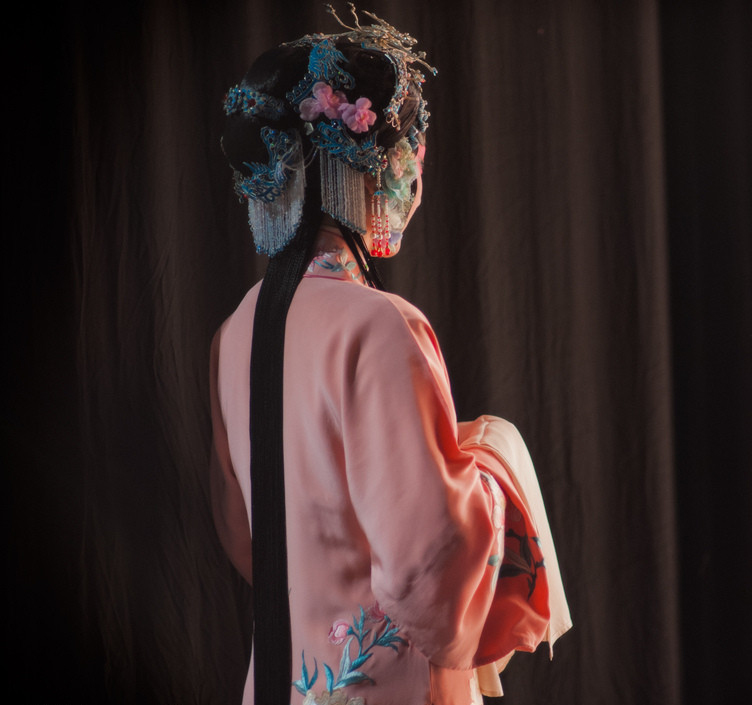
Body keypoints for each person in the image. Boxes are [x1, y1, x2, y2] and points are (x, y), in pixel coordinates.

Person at [209, 7, 570, 705]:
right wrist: (492, 459)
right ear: (361, 168)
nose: (412, 176)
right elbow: (428, 561)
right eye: (406, 156)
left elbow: (243, 534)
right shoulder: (381, 325)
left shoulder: (234, 330)